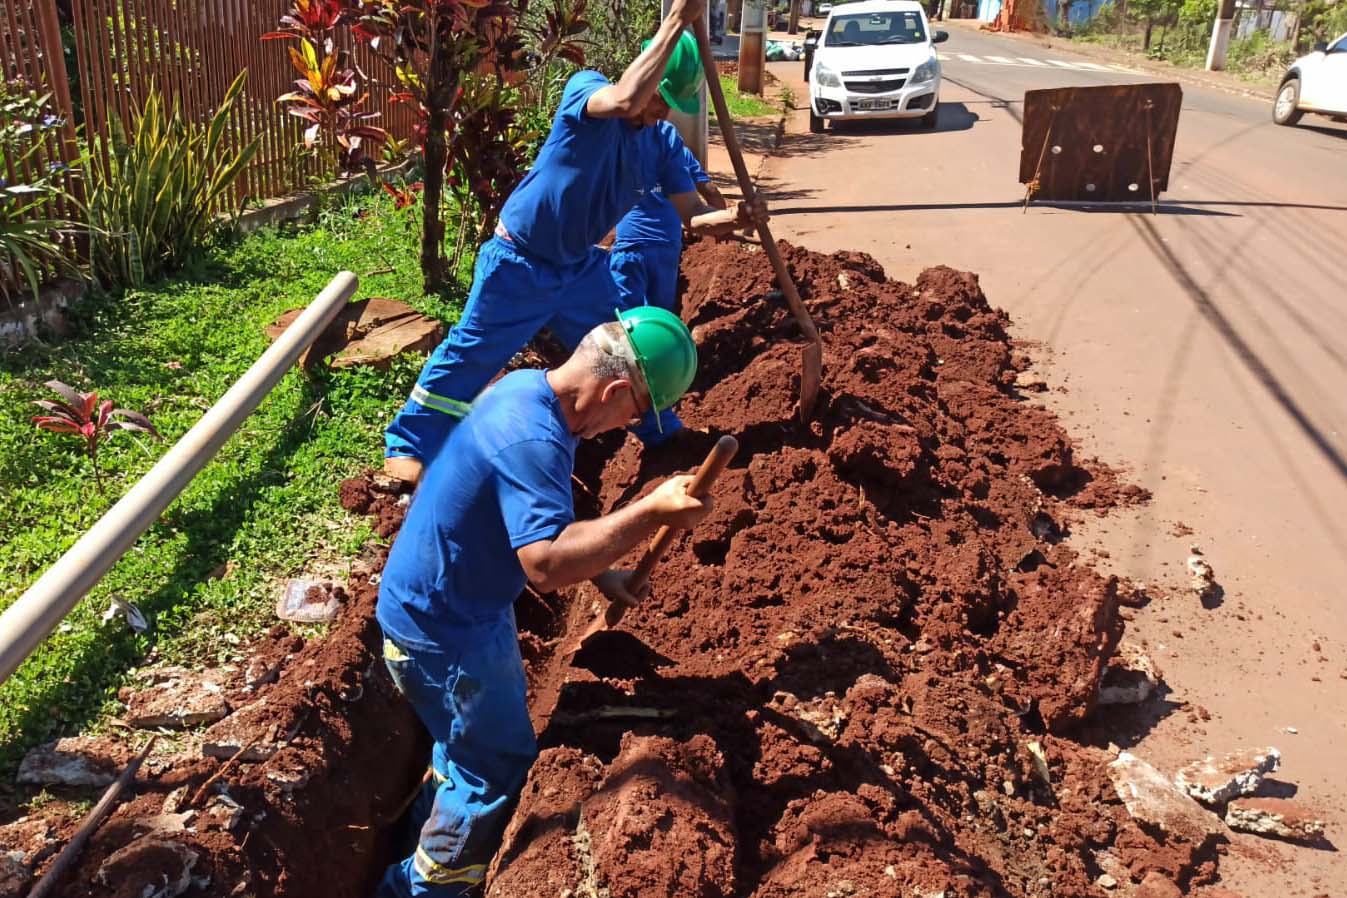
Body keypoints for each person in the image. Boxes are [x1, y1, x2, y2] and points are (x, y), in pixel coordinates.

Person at [374, 308, 713, 897]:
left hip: (447, 604)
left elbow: (531, 512)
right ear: (611, 390)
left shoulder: (529, 391)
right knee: (494, 765)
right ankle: (420, 889)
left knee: (465, 742)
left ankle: (419, 837)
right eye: (632, 415)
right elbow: (547, 563)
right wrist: (650, 512)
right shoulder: (533, 437)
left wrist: (602, 569)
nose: (623, 428)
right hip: (445, 630)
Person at [383, 0, 767, 484]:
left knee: (627, 350)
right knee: (472, 354)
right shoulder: (588, 94)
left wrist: (733, 218)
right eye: (658, 97)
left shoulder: (662, 142)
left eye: (667, 104)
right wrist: (675, 20)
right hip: (519, 259)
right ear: (641, 70)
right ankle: (408, 443)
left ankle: (660, 433)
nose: (657, 111)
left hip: (580, 268)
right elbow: (627, 100)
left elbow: (692, 215)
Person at [608, 121, 726, 443]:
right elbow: (710, 191)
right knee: (660, 322)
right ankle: (660, 384)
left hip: (629, 247)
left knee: (625, 327)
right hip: (666, 249)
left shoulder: (624, 147)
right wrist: (725, 225)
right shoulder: (678, 152)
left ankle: (632, 397)